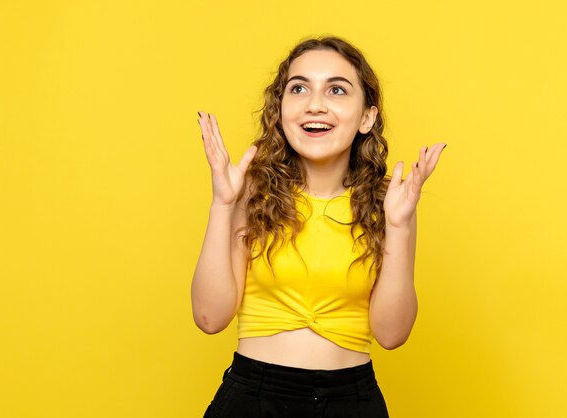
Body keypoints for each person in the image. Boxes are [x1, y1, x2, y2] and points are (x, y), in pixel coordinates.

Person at [191, 36, 447, 418]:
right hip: (253, 399)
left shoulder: (390, 203)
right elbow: (210, 317)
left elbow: (392, 335)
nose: (315, 105)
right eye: (299, 88)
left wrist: (399, 226)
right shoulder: (251, 192)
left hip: (352, 400)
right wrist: (223, 204)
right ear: (280, 110)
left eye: (337, 90)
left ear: (366, 117)